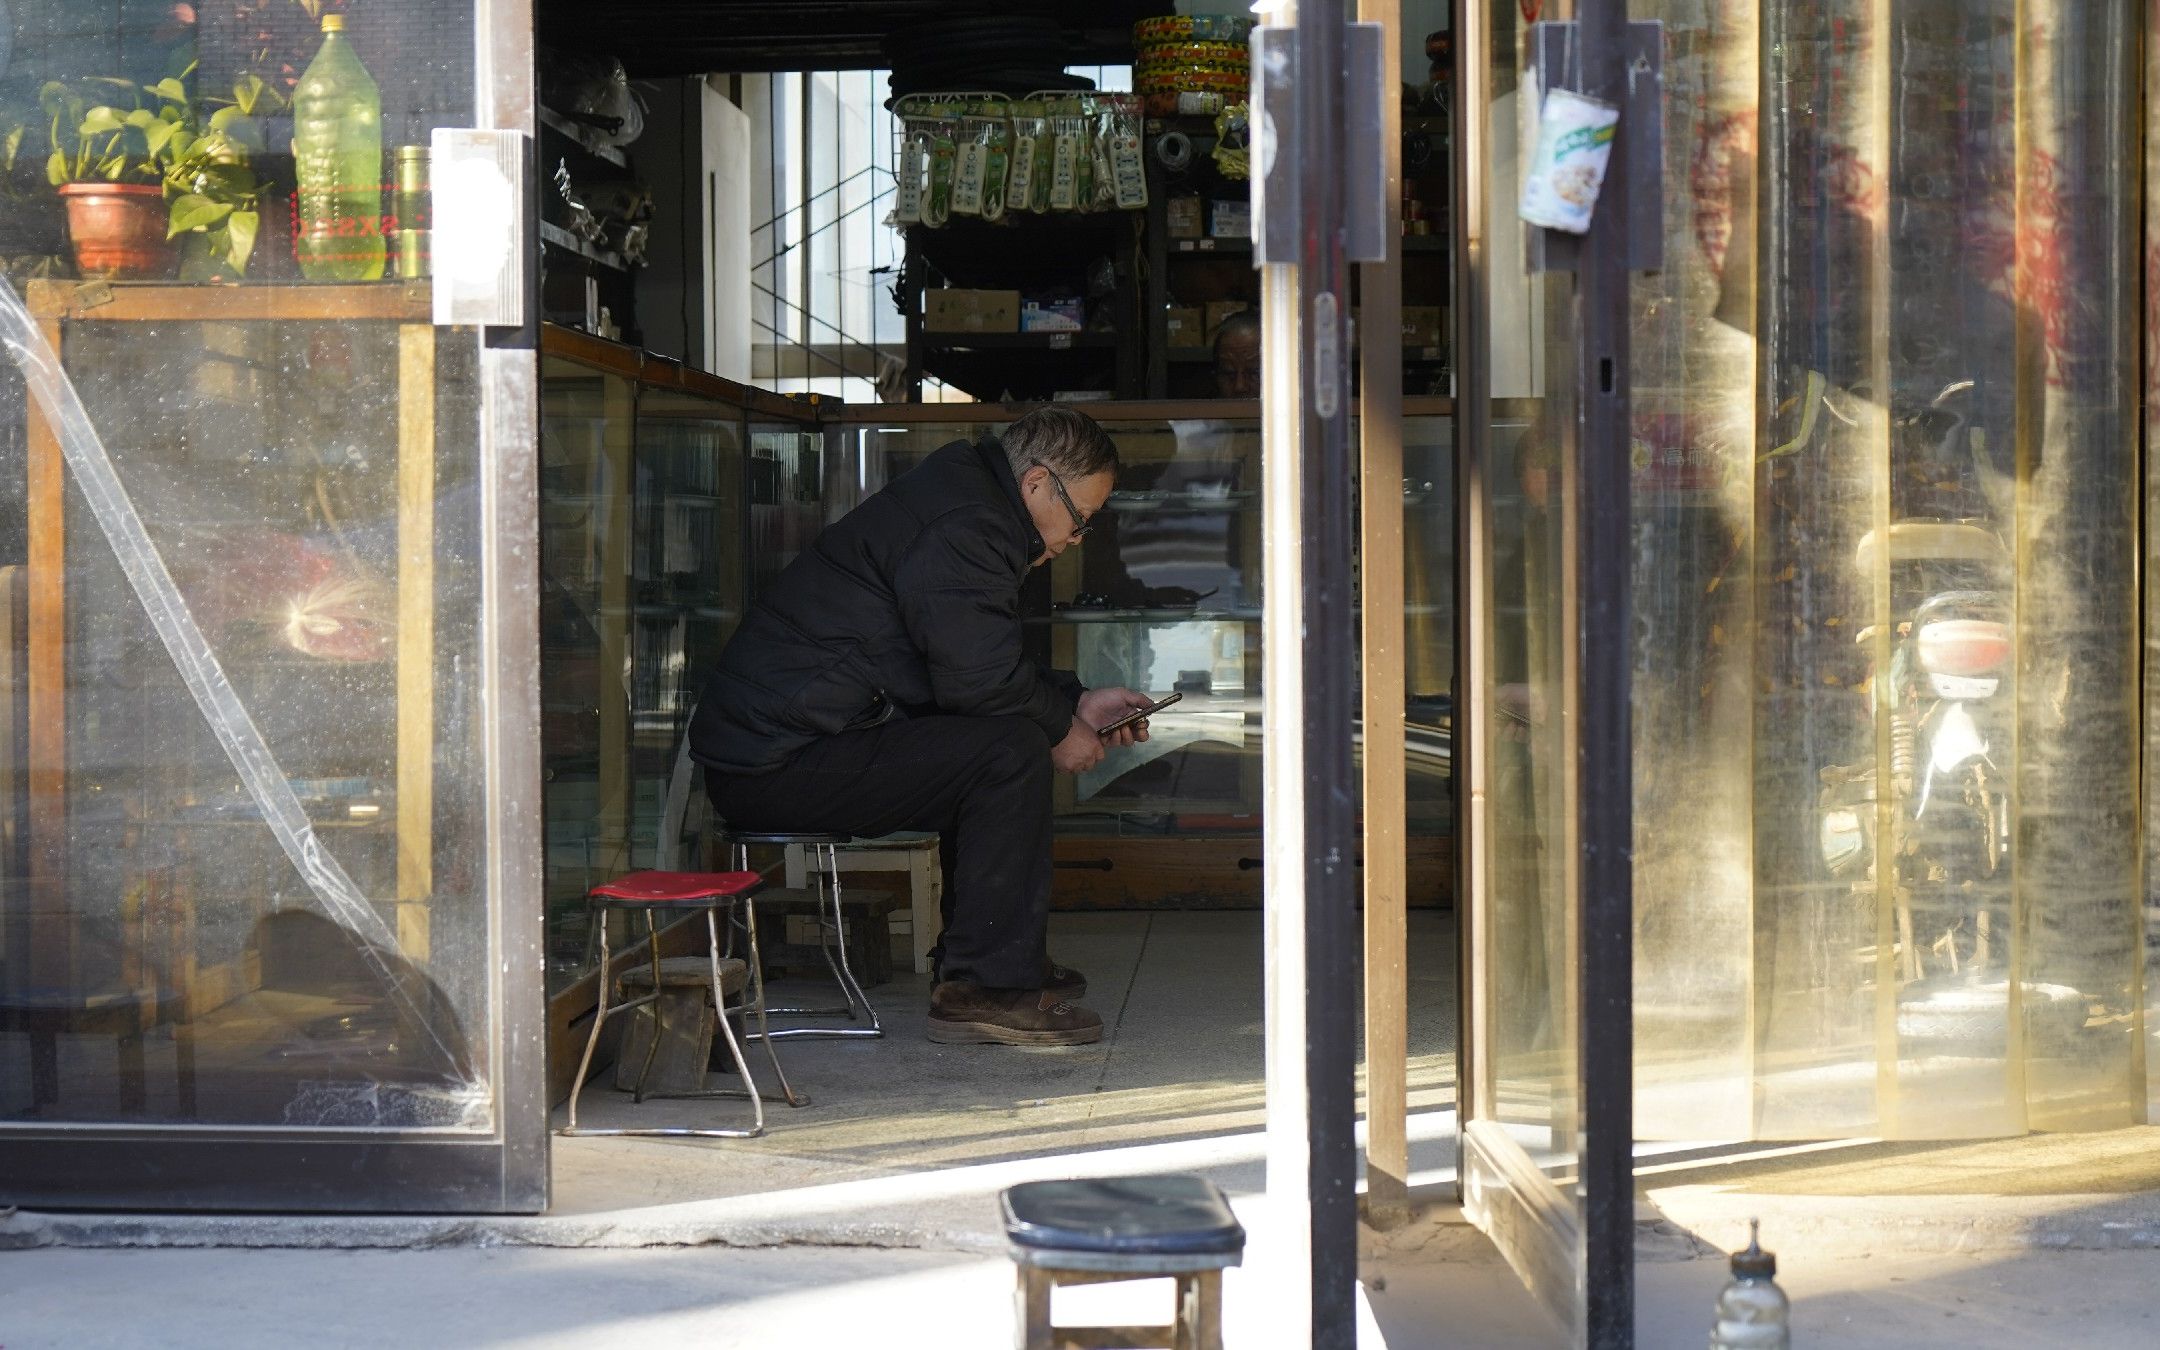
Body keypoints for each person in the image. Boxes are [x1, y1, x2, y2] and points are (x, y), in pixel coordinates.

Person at [688, 405, 1158, 1046]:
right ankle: (988, 986)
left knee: (1004, 743)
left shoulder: (966, 496)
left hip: (790, 743)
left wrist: (1074, 703)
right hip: (774, 762)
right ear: (1037, 484)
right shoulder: (969, 523)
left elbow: (968, 656)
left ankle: (985, 963)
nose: (1076, 539)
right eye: (1080, 520)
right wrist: (1059, 728)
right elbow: (976, 681)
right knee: (1009, 751)